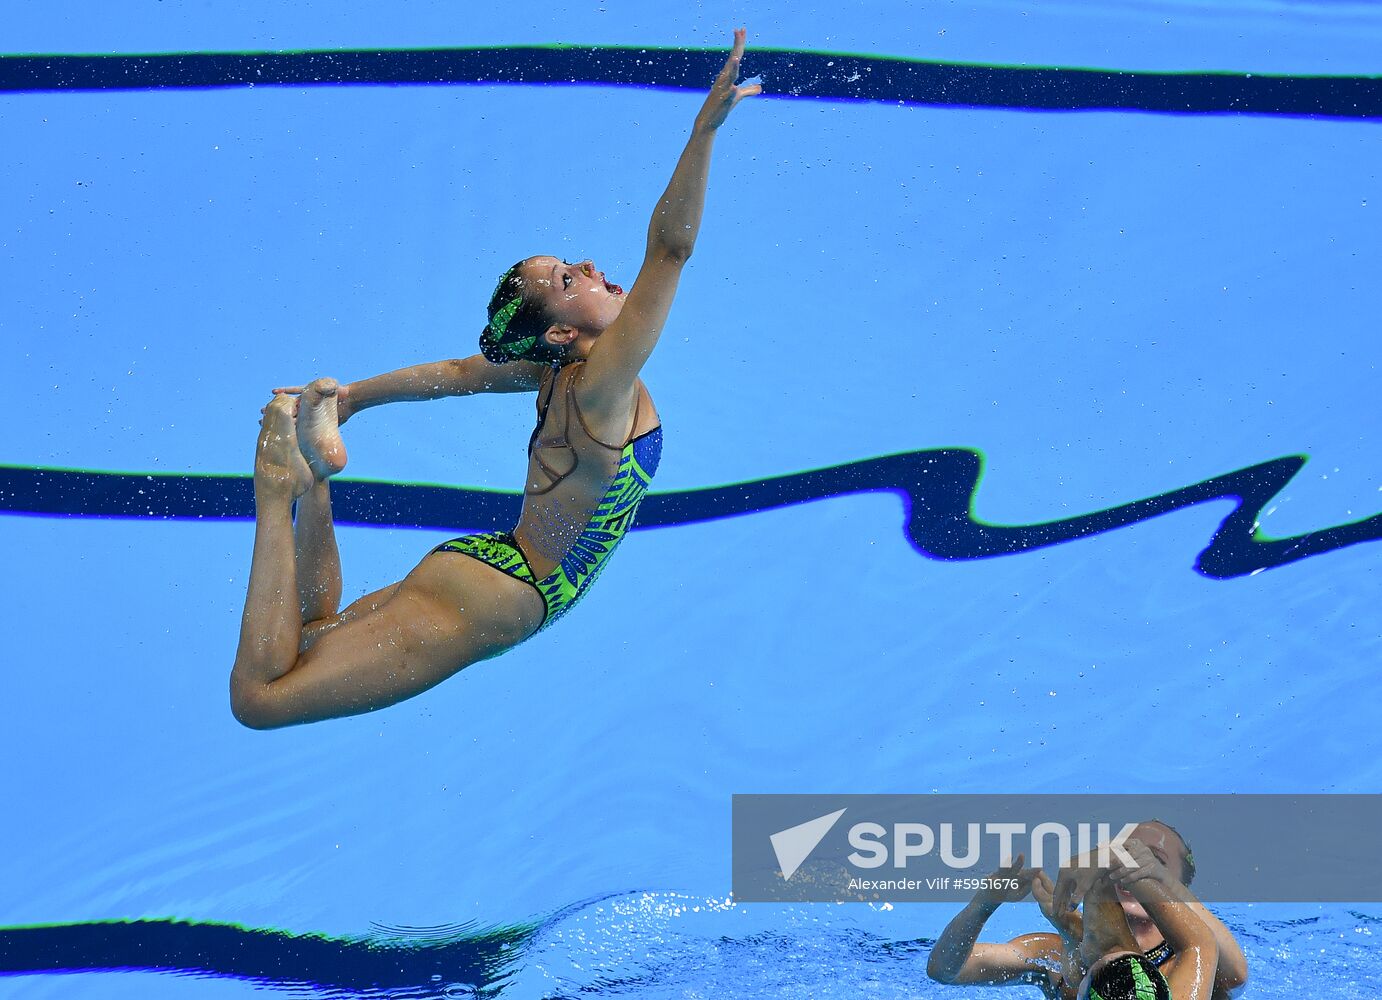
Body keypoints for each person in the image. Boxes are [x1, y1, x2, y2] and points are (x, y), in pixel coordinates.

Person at [229, 30, 761, 729]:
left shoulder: (555, 374)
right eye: (571, 280)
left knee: (300, 643)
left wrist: (356, 399)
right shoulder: (601, 387)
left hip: (490, 566)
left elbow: (454, 375)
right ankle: (278, 492)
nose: (594, 268)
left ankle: (318, 477)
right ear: (562, 333)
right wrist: (703, 134)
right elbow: (671, 247)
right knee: (260, 702)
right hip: (506, 591)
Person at [926, 821, 1246, 998]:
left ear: (1179, 885)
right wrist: (983, 904)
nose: (1130, 869)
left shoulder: (1188, 965)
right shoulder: (1053, 956)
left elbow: (1236, 976)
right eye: (1124, 858)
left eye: (1151, 863)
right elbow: (946, 970)